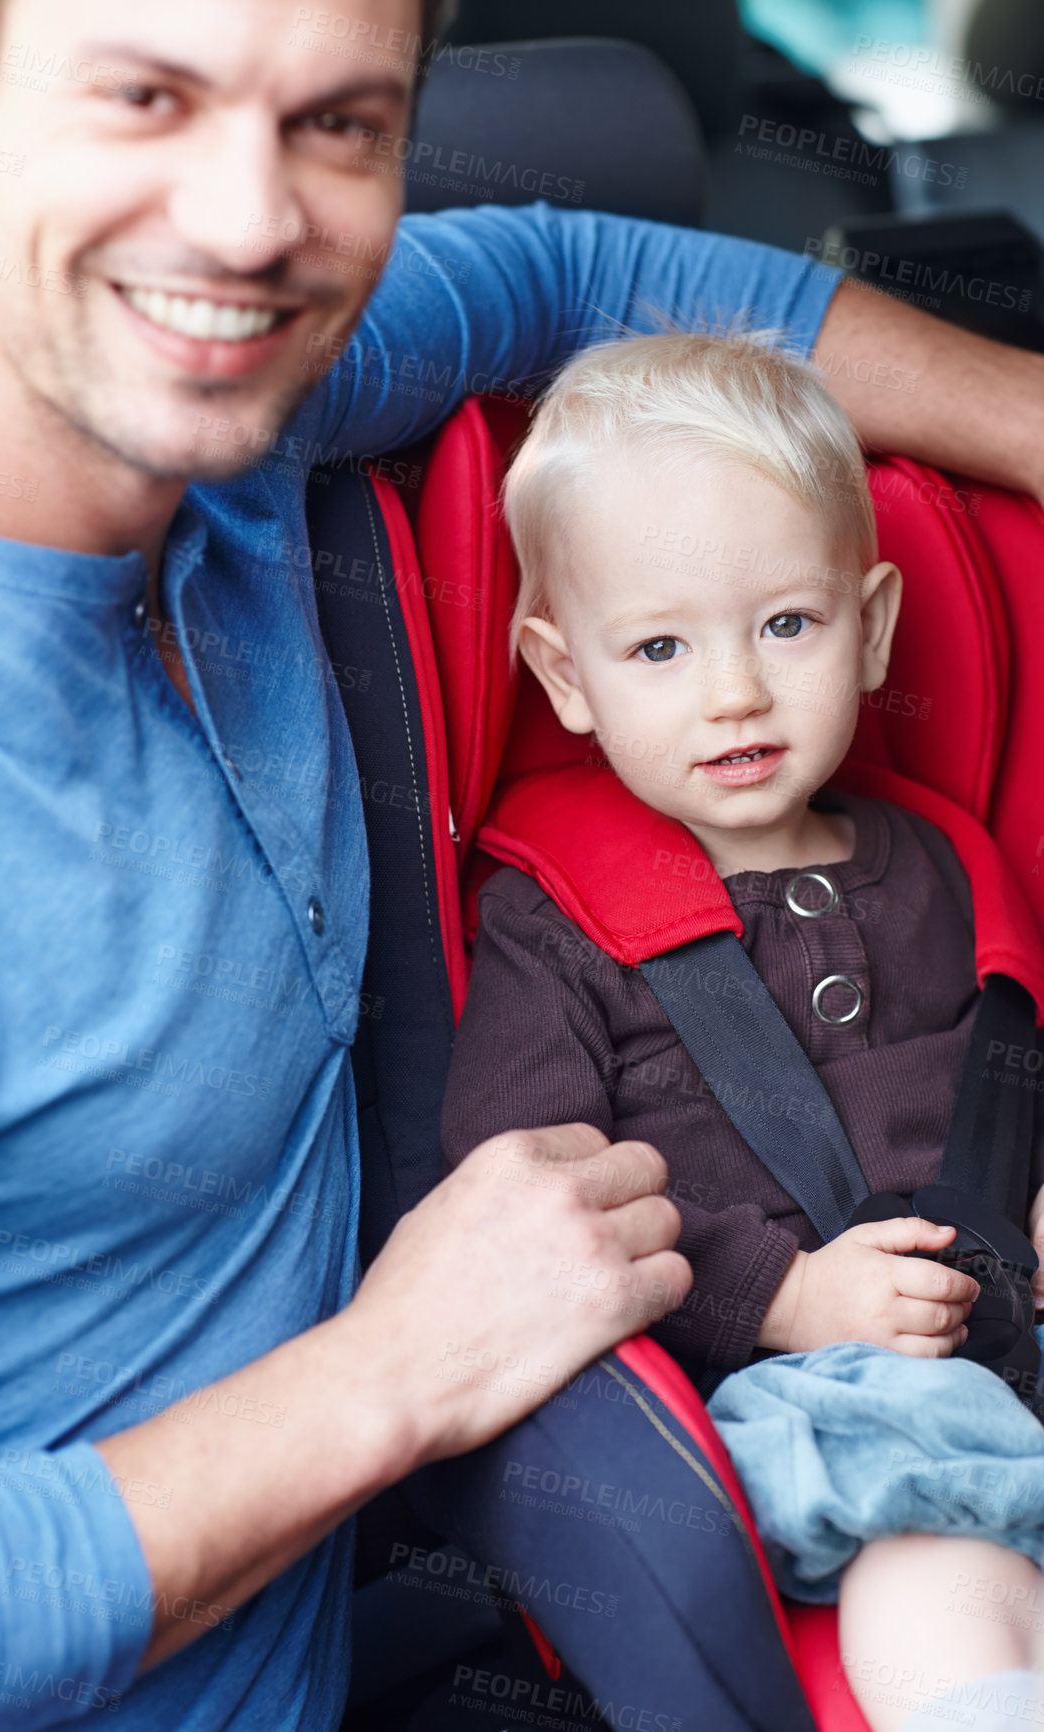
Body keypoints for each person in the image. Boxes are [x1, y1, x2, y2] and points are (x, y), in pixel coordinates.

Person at [0, 0, 1044, 1723]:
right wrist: (391, 1375)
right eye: (148, 95)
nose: (246, 218)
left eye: (339, 126)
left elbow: (584, 278)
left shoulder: (257, 398)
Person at [439, 327, 1044, 1732]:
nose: (733, 690)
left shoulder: (949, 866)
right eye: (657, 645)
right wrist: (776, 1293)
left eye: (787, 624)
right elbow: (521, 1187)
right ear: (563, 671)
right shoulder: (553, 918)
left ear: (872, 624)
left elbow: (1010, 1080)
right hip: (795, 1390)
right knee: (924, 1550)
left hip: (997, 1341)